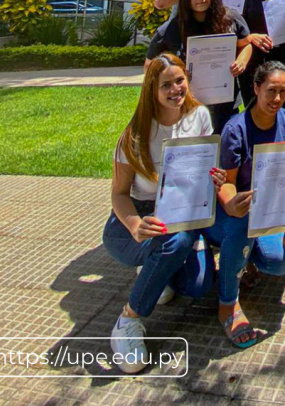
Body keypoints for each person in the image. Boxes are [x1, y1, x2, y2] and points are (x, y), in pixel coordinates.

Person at [103, 55, 216, 373]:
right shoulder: (136, 135)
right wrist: (135, 224)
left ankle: (156, 271)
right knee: (173, 244)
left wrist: (214, 177)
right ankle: (129, 319)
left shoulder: (200, 117)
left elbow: (203, 172)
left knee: (198, 285)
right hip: (139, 215)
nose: (176, 89)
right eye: (166, 84)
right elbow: (119, 194)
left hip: (184, 210)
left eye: (180, 80)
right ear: (152, 89)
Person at [206, 61, 285, 348]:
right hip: (235, 216)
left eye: (283, 91)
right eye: (271, 90)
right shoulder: (236, 129)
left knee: (282, 262)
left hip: (270, 212)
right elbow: (226, 183)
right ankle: (228, 304)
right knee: (242, 224)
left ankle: (248, 261)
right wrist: (230, 203)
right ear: (255, 88)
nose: (277, 98)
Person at [145, 0, 253, 133]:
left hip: (226, 103)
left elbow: (246, 44)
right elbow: (149, 66)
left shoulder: (230, 18)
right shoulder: (173, 28)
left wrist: (242, 61)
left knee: (225, 150)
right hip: (189, 105)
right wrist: (174, 75)